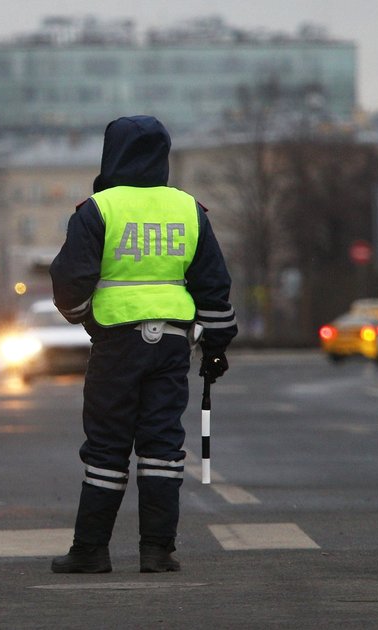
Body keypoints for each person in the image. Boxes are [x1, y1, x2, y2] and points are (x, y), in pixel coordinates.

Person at [48, 115, 238, 574]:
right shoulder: (188, 210)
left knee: (107, 447)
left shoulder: (99, 209)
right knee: (162, 446)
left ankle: (91, 551)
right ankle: (157, 551)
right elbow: (213, 286)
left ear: (111, 154)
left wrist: (88, 321)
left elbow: (68, 283)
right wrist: (215, 347)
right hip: (172, 345)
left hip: (116, 346)